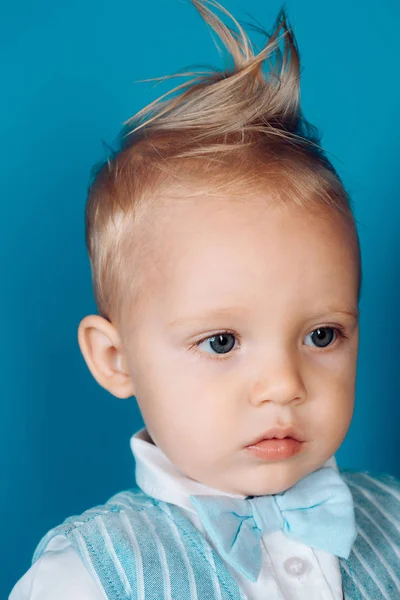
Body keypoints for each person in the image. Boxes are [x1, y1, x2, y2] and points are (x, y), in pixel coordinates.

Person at [9, 0, 400, 598]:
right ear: (117, 360)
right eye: (221, 341)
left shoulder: (394, 521)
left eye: (321, 335)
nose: (282, 385)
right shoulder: (86, 577)